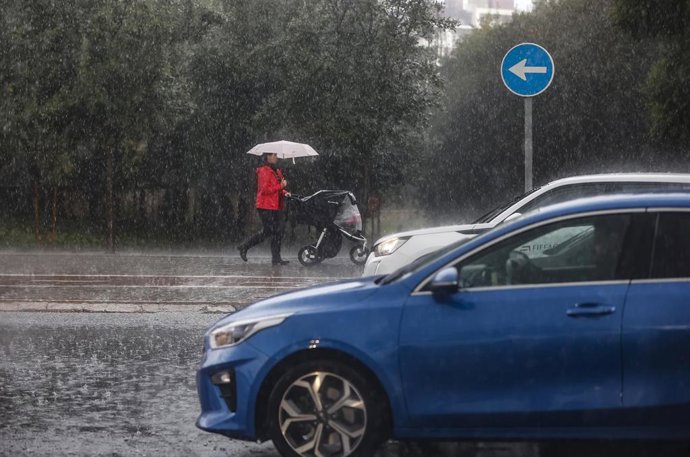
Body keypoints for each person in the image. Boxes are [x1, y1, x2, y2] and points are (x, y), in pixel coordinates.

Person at [237, 152, 291, 265]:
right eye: (274, 155)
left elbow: (278, 189)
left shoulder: (277, 171)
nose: (276, 157)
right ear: (267, 157)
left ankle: (276, 258)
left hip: (276, 206)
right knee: (269, 231)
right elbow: (265, 190)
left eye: (276, 155)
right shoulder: (264, 171)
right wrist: (281, 186)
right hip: (265, 206)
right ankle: (244, 246)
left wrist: (285, 192)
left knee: (278, 232)